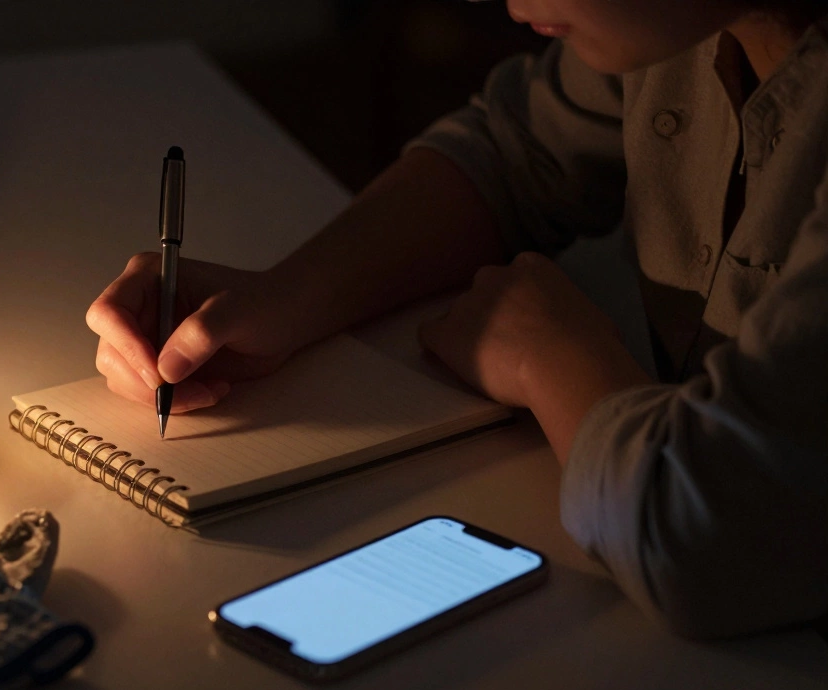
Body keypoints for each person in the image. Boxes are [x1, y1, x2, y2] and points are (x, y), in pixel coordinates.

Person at [85, 0, 828, 639]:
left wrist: (550, 357)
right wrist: (286, 296)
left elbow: (715, 537)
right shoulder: (683, 29)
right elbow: (513, 152)